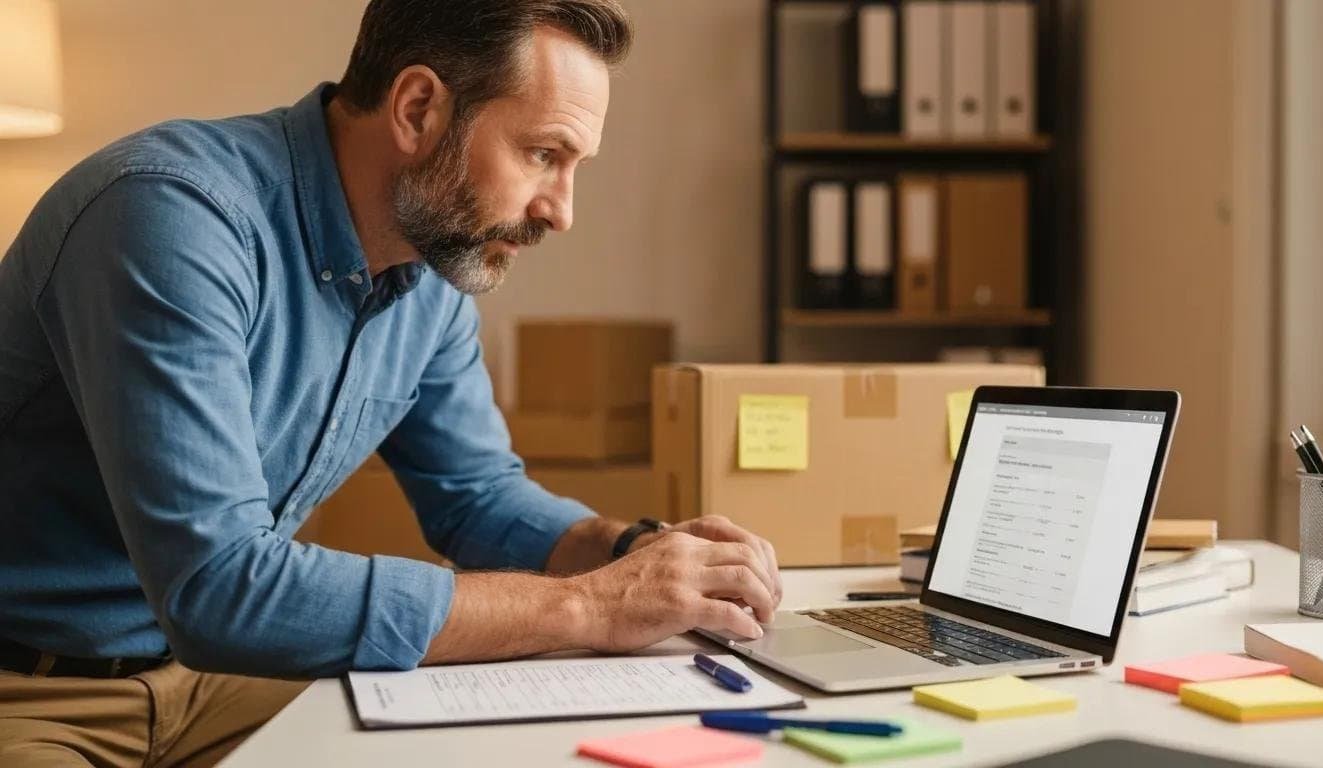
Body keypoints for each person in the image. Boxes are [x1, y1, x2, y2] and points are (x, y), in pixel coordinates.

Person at [0, 2, 781, 765]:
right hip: (32, 690)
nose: (562, 210)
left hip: (209, 679)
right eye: (544, 154)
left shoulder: (430, 270)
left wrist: (633, 550)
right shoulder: (170, 217)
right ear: (417, 109)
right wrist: (594, 605)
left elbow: (476, 497)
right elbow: (222, 589)